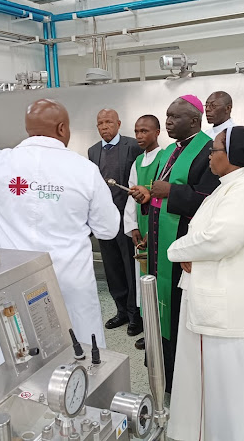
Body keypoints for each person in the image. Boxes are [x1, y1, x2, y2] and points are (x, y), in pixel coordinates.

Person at [0, 99, 120, 346]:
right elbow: (108, 230)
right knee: (83, 349)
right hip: (71, 281)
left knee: (23, 350)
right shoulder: (85, 170)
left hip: (16, 279)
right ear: (62, 129)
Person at [167, 127, 244, 441]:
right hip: (219, 303)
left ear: (234, 155)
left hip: (235, 310)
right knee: (217, 388)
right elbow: (202, 235)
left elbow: (220, 239)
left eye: (215, 150)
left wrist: (175, 250)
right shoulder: (228, 186)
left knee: (237, 392)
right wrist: (190, 248)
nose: (210, 155)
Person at [129, 95, 220, 392]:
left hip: (184, 250)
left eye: (173, 117)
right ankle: (163, 369)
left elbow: (211, 203)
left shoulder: (209, 150)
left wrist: (171, 192)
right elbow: (160, 193)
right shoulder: (171, 150)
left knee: (179, 312)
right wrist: (148, 195)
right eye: (166, 116)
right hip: (160, 247)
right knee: (161, 307)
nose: (167, 122)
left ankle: (183, 378)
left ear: (194, 121)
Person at [88, 109, 144, 336]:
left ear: (118, 124)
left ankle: (135, 316)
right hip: (104, 221)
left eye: (108, 122)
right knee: (112, 268)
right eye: (100, 123)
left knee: (130, 269)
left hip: (126, 219)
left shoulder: (132, 147)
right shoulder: (93, 151)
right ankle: (121, 310)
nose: (104, 127)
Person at [122, 115, 163, 350]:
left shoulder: (166, 157)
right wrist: (133, 226)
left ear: (157, 132)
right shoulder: (137, 161)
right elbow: (131, 197)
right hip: (142, 229)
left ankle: (159, 332)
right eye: (137, 131)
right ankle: (148, 329)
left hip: (158, 228)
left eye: (145, 131)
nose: (139, 136)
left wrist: (152, 230)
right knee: (143, 282)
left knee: (157, 282)